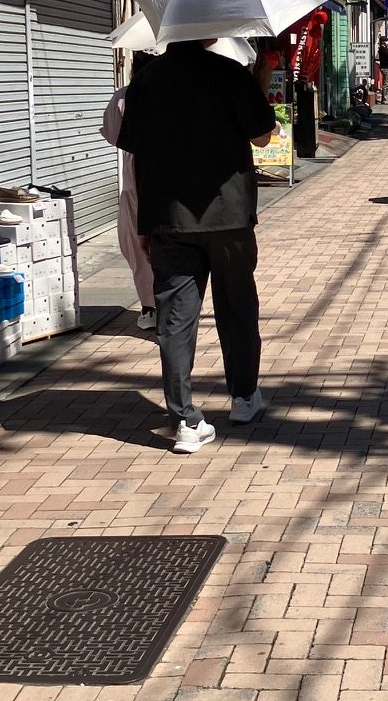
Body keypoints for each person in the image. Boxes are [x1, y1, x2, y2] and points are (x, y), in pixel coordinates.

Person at [119, 40, 276, 452]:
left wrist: (143, 221)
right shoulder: (230, 73)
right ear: (207, 31)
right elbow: (262, 137)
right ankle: (243, 397)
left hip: (168, 216)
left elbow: (134, 152)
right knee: (236, 307)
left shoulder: (146, 80)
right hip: (228, 215)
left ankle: (185, 421)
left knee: (174, 319)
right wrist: (260, 79)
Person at [101, 59, 156, 330]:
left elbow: (112, 135)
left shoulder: (125, 96)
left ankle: (150, 307)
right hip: (173, 179)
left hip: (136, 178)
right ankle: (174, 304)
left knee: (137, 244)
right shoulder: (177, 92)